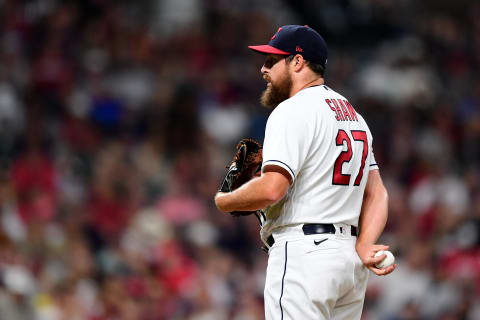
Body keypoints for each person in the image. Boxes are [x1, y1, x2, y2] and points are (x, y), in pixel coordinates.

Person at [215, 24, 396, 320]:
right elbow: (377, 193)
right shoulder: (354, 116)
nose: (263, 69)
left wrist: (225, 200)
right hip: (348, 264)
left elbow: (273, 188)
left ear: (297, 62)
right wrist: (364, 242)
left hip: (304, 256)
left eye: (272, 60)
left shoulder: (291, 110)